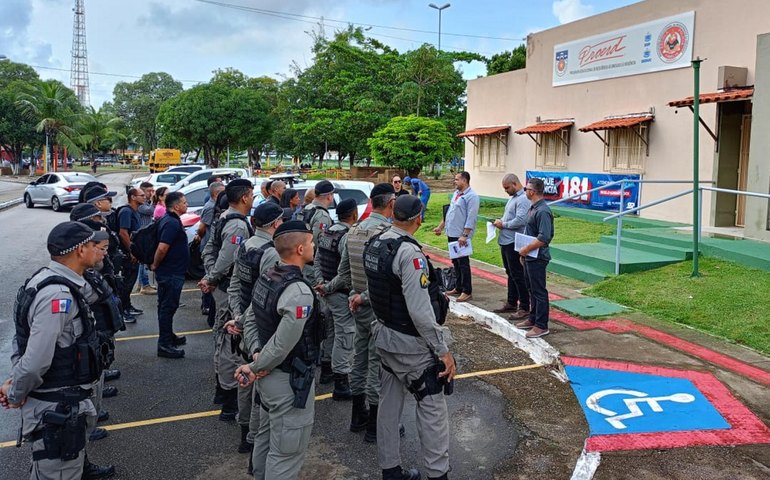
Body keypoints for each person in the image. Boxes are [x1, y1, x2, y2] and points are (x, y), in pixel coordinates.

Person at [1, 222, 109, 480]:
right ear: (80, 250)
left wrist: (16, 381)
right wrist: (16, 392)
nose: (102, 251)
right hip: (56, 407)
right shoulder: (57, 294)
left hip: (60, 403)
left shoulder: (50, 280)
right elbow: (37, 359)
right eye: (96, 246)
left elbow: (23, 341)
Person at [366, 195, 455, 480]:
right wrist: (442, 351)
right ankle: (437, 474)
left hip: (384, 334)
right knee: (432, 410)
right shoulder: (410, 254)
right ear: (419, 218)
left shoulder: (377, 243)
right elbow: (420, 311)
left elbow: (379, 288)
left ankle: (390, 469)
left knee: (389, 406)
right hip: (410, 342)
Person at [234, 220, 322, 480]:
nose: (314, 245)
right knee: (286, 454)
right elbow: (284, 343)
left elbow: (250, 319)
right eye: (310, 242)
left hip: (269, 377)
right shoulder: (298, 292)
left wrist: (257, 354)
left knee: (266, 437)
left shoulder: (269, 276)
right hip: (289, 381)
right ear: (299, 249)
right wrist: (256, 365)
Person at [227, 202, 283, 463]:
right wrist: (244, 319)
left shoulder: (246, 245)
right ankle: (254, 438)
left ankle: (243, 433)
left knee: (245, 378)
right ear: (275, 224)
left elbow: (236, 284)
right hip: (259, 324)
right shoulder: (270, 253)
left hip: (244, 319)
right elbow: (262, 294)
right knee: (259, 376)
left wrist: (237, 316)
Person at [200, 179, 255, 421]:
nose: (253, 199)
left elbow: (208, 251)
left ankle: (222, 393)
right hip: (230, 290)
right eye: (251, 195)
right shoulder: (237, 226)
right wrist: (213, 278)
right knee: (231, 345)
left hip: (221, 287)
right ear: (244, 198)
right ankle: (229, 399)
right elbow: (226, 258)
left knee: (222, 340)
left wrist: (210, 277)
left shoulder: (223, 218)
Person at [345, 183, 396, 442]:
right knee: (378, 365)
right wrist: (364, 297)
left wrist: (354, 296)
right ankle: (375, 426)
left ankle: (357, 416)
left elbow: (344, 272)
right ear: (390, 204)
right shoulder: (386, 233)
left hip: (357, 305)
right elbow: (386, 278)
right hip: (377, 307)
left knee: (359, 359)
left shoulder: (353, 231)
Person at [314, 198, 359, 401]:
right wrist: (328, 287)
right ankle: (341, 382)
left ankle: (326, 369)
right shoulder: (347, 237)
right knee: (345, 334)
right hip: (339, 293)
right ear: (354, 215)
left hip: (326, 290)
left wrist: (320, 284)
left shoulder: (327, 232)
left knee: (330, 330)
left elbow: (317, 260)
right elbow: (346, 273)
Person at [296, 180, 335, 381]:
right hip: (312, 268)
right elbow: (321, 244)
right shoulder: (321, 215)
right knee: (321, 313)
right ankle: (319, 356)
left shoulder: (306, 209)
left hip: (301, 264)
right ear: (329, 195)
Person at [151, 191, 191, 358]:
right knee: (167, 307)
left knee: (168, 306)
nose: (186, 204)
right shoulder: (171, 223)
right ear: (176, 206)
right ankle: (164, 344)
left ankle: (168, 335)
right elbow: (162, 248)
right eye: (184, 202)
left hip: (173, 271)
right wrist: (155, 264)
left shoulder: (171, 220)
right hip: (170, 273)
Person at [515, 177, 554, 339]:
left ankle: (541, 325)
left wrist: (526, 249)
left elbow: (544, 237)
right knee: (531, 289)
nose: (525, 191)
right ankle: (533, 318)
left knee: (539, 291)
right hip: (530, 256)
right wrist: (524, 253)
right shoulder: (533, 208)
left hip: (538, 256)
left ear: (532, 191)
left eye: (526, 189)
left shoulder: (543, 211)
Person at [433, 171, 480, 303]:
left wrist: (464, 235)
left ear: (464, 181)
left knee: (463, 263)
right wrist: (440, 227)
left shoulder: (472, 197)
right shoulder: (456, 194)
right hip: (452, 233)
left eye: (457, 179)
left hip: (461, 236)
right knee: (456, 262)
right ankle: (458, 287)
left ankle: (467, 290)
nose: (455, 181)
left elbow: (471, 218)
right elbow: (449, 213)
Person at [493, 174, 531, 319]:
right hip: (506, 240)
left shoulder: (523, 199)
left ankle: (524, 306)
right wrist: (500, 221)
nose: (506, 190)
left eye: (507, 187)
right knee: (510, 273)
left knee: (518, 275)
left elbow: (521, 220)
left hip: (514, 242)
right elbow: (509, 218)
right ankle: (511, 301)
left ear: (515, 184)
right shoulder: (513, 198)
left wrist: (504, 224)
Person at [196, 181, 226, 318]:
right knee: (209, 275)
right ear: (216, 193)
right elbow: (202, 227)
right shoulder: (210, 207)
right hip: (209, 247)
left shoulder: (215, 206)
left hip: (211, 247)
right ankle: (206, 305)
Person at [118, 188, 145, 320]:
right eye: (142, 195)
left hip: (135, 253)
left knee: (131, 281)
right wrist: (131, 251)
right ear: (133, 197)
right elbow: (123, 233)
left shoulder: (136, 211)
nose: (145, 197)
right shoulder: (126, 212)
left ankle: (127, 305)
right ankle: (122, 310)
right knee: (126, 282)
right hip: (127, 255)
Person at [137, 182, 156, 295]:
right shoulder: (141, 205)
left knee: (142, 262)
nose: (151, 193)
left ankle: (141, 284)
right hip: (142, 236)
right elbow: (151, 211)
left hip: (145, 234)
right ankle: (145, 285)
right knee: (143, 262)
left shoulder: (145, 203)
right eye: (149, 191)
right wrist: (154, 200)